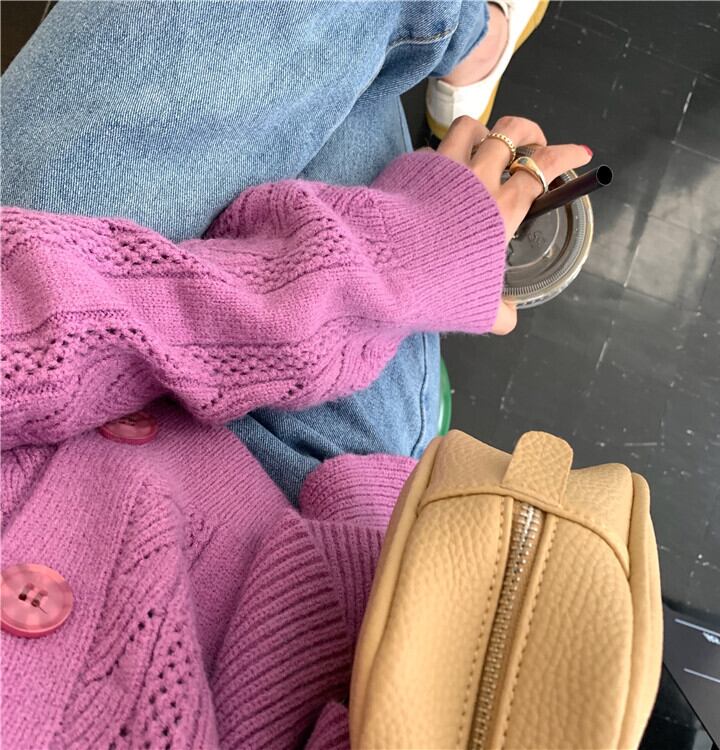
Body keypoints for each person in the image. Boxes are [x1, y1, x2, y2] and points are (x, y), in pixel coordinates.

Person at [1, 2, 591, 747]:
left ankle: (469, 39)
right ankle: (463, 44)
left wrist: (387, 258)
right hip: (306, 513)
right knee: (342, 73)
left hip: (53, 354)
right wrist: (394, 263)